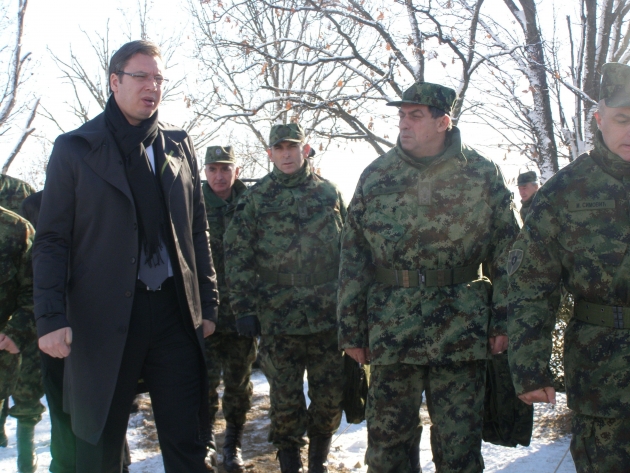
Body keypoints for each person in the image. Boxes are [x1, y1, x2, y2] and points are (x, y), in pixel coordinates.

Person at [32, 40, 219, 473]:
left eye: (159, 78)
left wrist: (207, 304)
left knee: (189, 444)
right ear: (115, 81)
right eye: (141, 76)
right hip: (103, 320)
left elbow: (197, 231)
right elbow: (52, 240)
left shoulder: (178, 146)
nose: (152, 86)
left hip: (174, 314)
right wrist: (50, 317)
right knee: (98, 450)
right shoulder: (76, 148)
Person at [337, 81, 520, 473]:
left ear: (443, 122)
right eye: (402, 115)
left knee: (460, 450)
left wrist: (504, 320)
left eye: (415, 116)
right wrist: (351, 329)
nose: (404, 123)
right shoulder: (376, 175)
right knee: (388, 450)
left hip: (461, 330)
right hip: (392, 330)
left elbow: (508, 253)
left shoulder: (481, 173)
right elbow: (353, 255)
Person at [507, 62, 630, 472]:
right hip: (604, 375)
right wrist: (530, 367)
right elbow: (531, 283)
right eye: (622, 119)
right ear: (600, 118)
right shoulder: (565, 192)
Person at [224, 123, 346, 473]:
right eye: (279, 148)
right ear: (270, 154)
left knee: (329, 400)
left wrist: (353, 307)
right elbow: (237, 255)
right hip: (278, 317)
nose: (286, 154)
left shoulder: (329, 193)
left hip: (326, 316)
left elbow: (351, 252)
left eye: (292, 147)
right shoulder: (255, 198)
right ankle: (290, 464)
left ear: (305, 149)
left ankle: (318, 463)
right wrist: (244, 308)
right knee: (285, 402)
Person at [202, 145, 256, 472]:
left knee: (238, 382)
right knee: (204, 381)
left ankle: (232, 442)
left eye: (225, 169)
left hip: (242, 313)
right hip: (205, 314)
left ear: (236, 171)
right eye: (213, 169)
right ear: (205, 172)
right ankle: (207, 439)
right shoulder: (191, 204)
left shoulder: (252, 203)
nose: (219, 176)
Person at [0, 205, 39, 473]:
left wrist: (16, 332)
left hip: (5, 353)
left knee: (27, 403)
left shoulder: (16, 229)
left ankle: (27, 462)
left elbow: (35, 291)